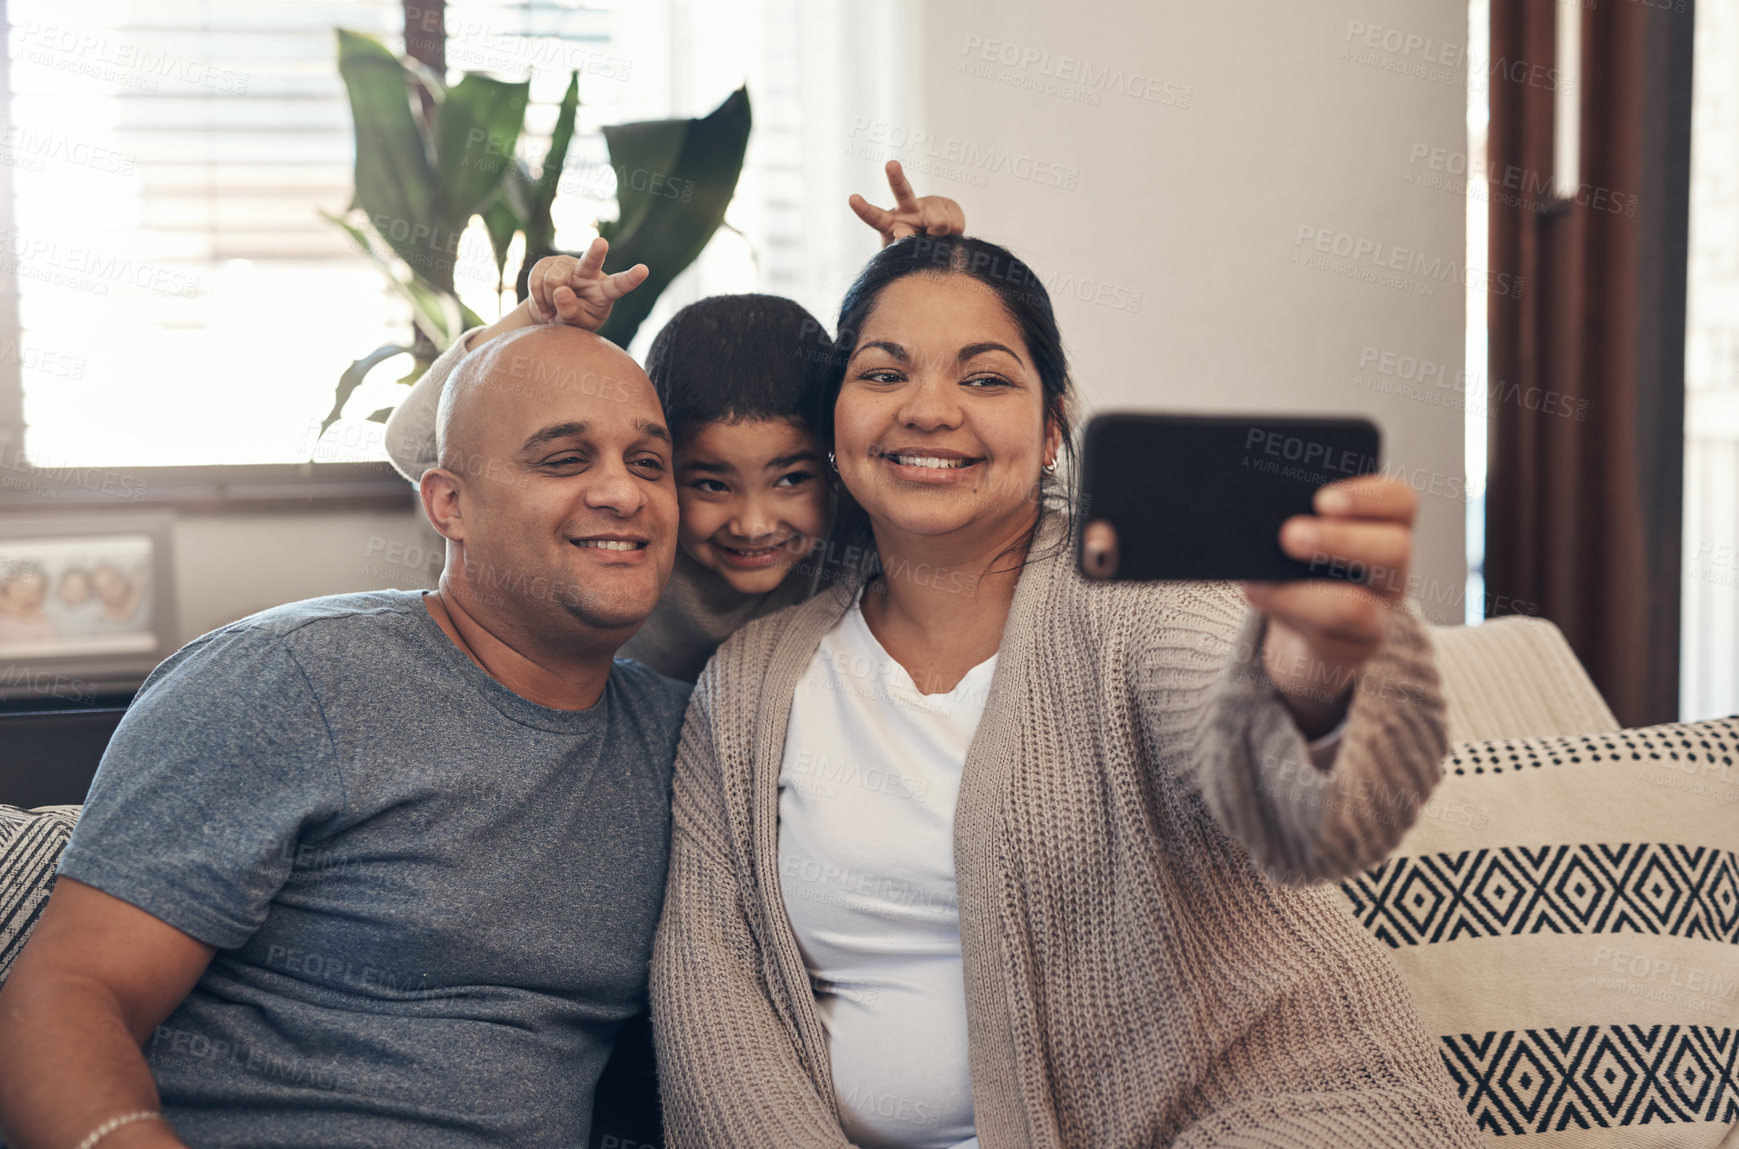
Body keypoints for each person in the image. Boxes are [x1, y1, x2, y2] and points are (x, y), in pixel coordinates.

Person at [648, 235, 1484, 1147]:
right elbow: (714, 1007)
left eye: (986, 379)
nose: (929, 410)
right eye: (885, 375)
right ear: (835, 423)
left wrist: (1311, 671)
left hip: (1277, 1116)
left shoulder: (1139, 604)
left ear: (1051, 430)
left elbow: (1300, 804)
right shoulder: (749, 683)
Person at [0, 325, 691, 1148]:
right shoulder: (288, 679)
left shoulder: (689, 741)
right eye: (564, 459)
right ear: (449, 504)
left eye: (648, 463)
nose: (623, 493)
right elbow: (65, 997)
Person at [386, 160, 965, 680]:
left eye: (792, 479)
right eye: (711, 484)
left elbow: (930, 439)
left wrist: (922, 273)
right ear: (655, 466)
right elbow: (415, 446)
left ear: (835, 463)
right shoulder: (631, 539)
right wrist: (531, 319)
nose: (755, 524)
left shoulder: (860, 527)